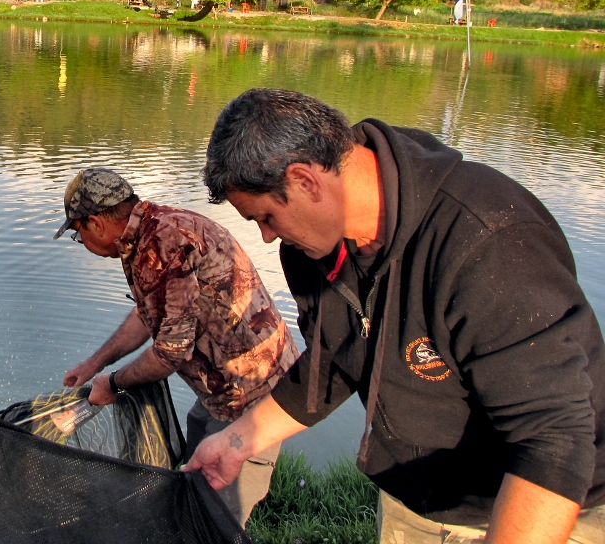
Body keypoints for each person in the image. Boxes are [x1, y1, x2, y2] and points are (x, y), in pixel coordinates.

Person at [183, 88, 605, 544]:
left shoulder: (487, 239)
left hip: (539, 512)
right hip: (416, 505)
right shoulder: (313, 250)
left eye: (266, 217)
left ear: (305, 181)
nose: (266, 238)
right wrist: (237, 441)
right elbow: (337, 360)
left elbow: (554, 440)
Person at [55, 168, 298, 526]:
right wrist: (95, 364)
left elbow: (171, 353)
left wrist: (114, 383)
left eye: (78, 236)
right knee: (194, 486)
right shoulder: (148, 232)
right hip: (218, 389)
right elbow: (147, 314)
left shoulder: (164, 243)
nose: (84, 245)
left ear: (94, 224)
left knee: (219, 519)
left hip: (253, 396)